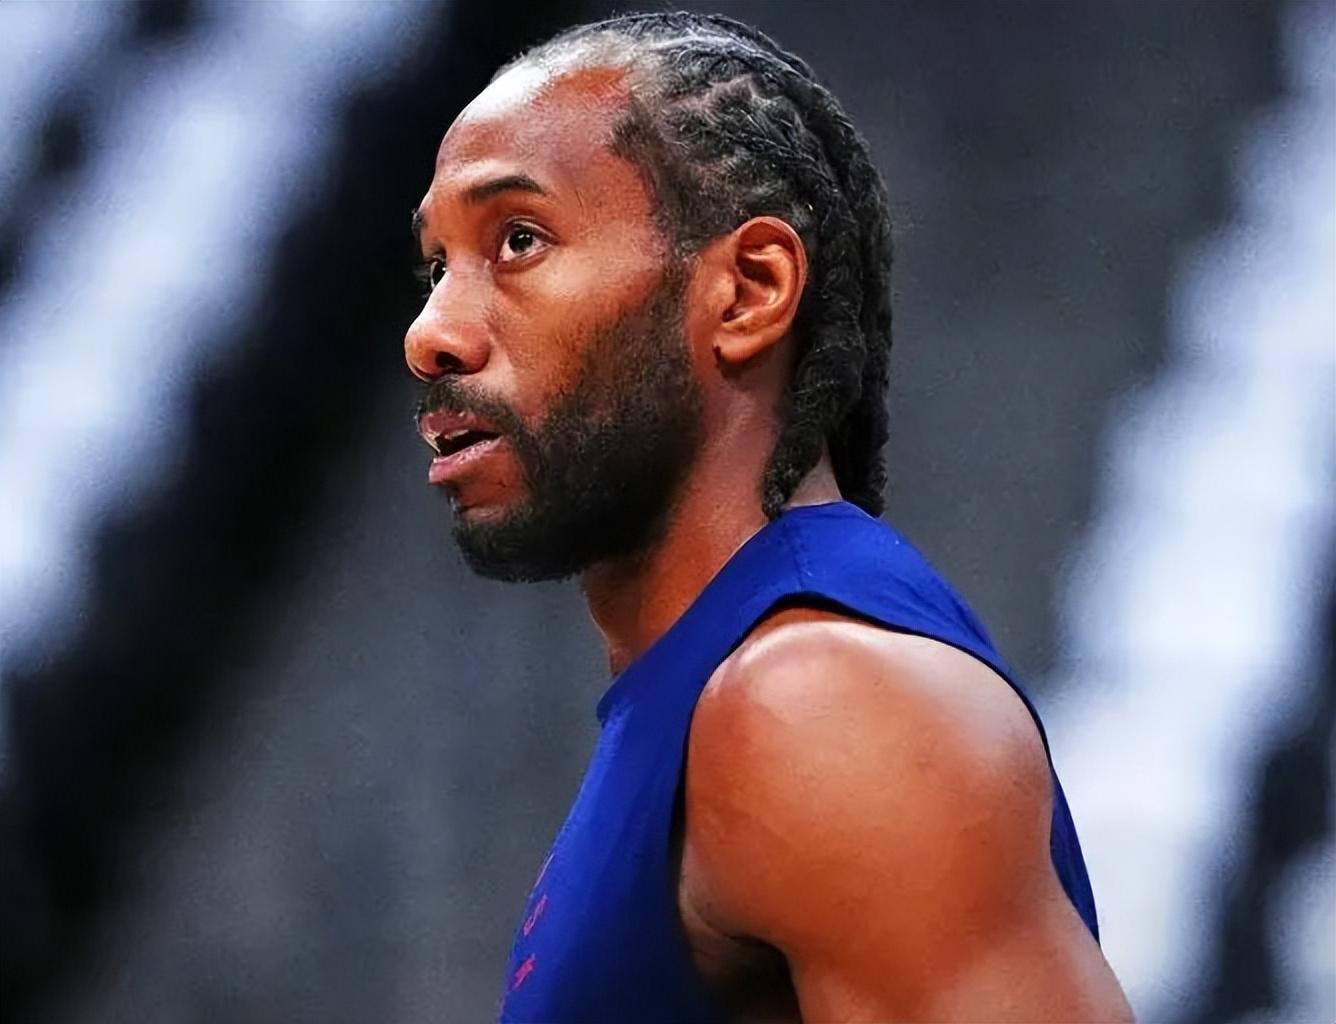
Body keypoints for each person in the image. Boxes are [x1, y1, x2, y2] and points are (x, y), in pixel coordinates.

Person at [404, 11, 1134, 1023]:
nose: (430, 333)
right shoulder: (718, 688)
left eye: (518, 240)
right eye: (437, 265)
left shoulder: (818, 705)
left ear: (749, 290)